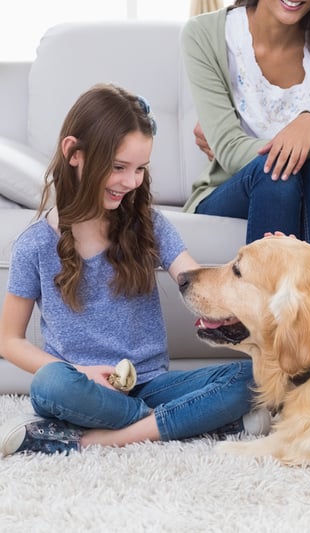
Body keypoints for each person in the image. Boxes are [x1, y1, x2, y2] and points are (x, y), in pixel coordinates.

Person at [0, 84, 269, 457]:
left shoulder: (149, 225)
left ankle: (94, 439)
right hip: (83, 389)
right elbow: (9, 340)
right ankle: (186, 420)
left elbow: (195, 280)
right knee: (49, 385)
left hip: (152, 385)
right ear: (74, 153)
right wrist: (77, 371)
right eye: (118, 168)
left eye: (140, 169)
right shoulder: (34, 245)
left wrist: (266, 260)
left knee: (253, 380)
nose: (131, 182)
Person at [182, 0, 310, 280]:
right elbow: (229, 149)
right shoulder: (204, 35)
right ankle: (265, 320)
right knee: (276, 173)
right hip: (230, 191)